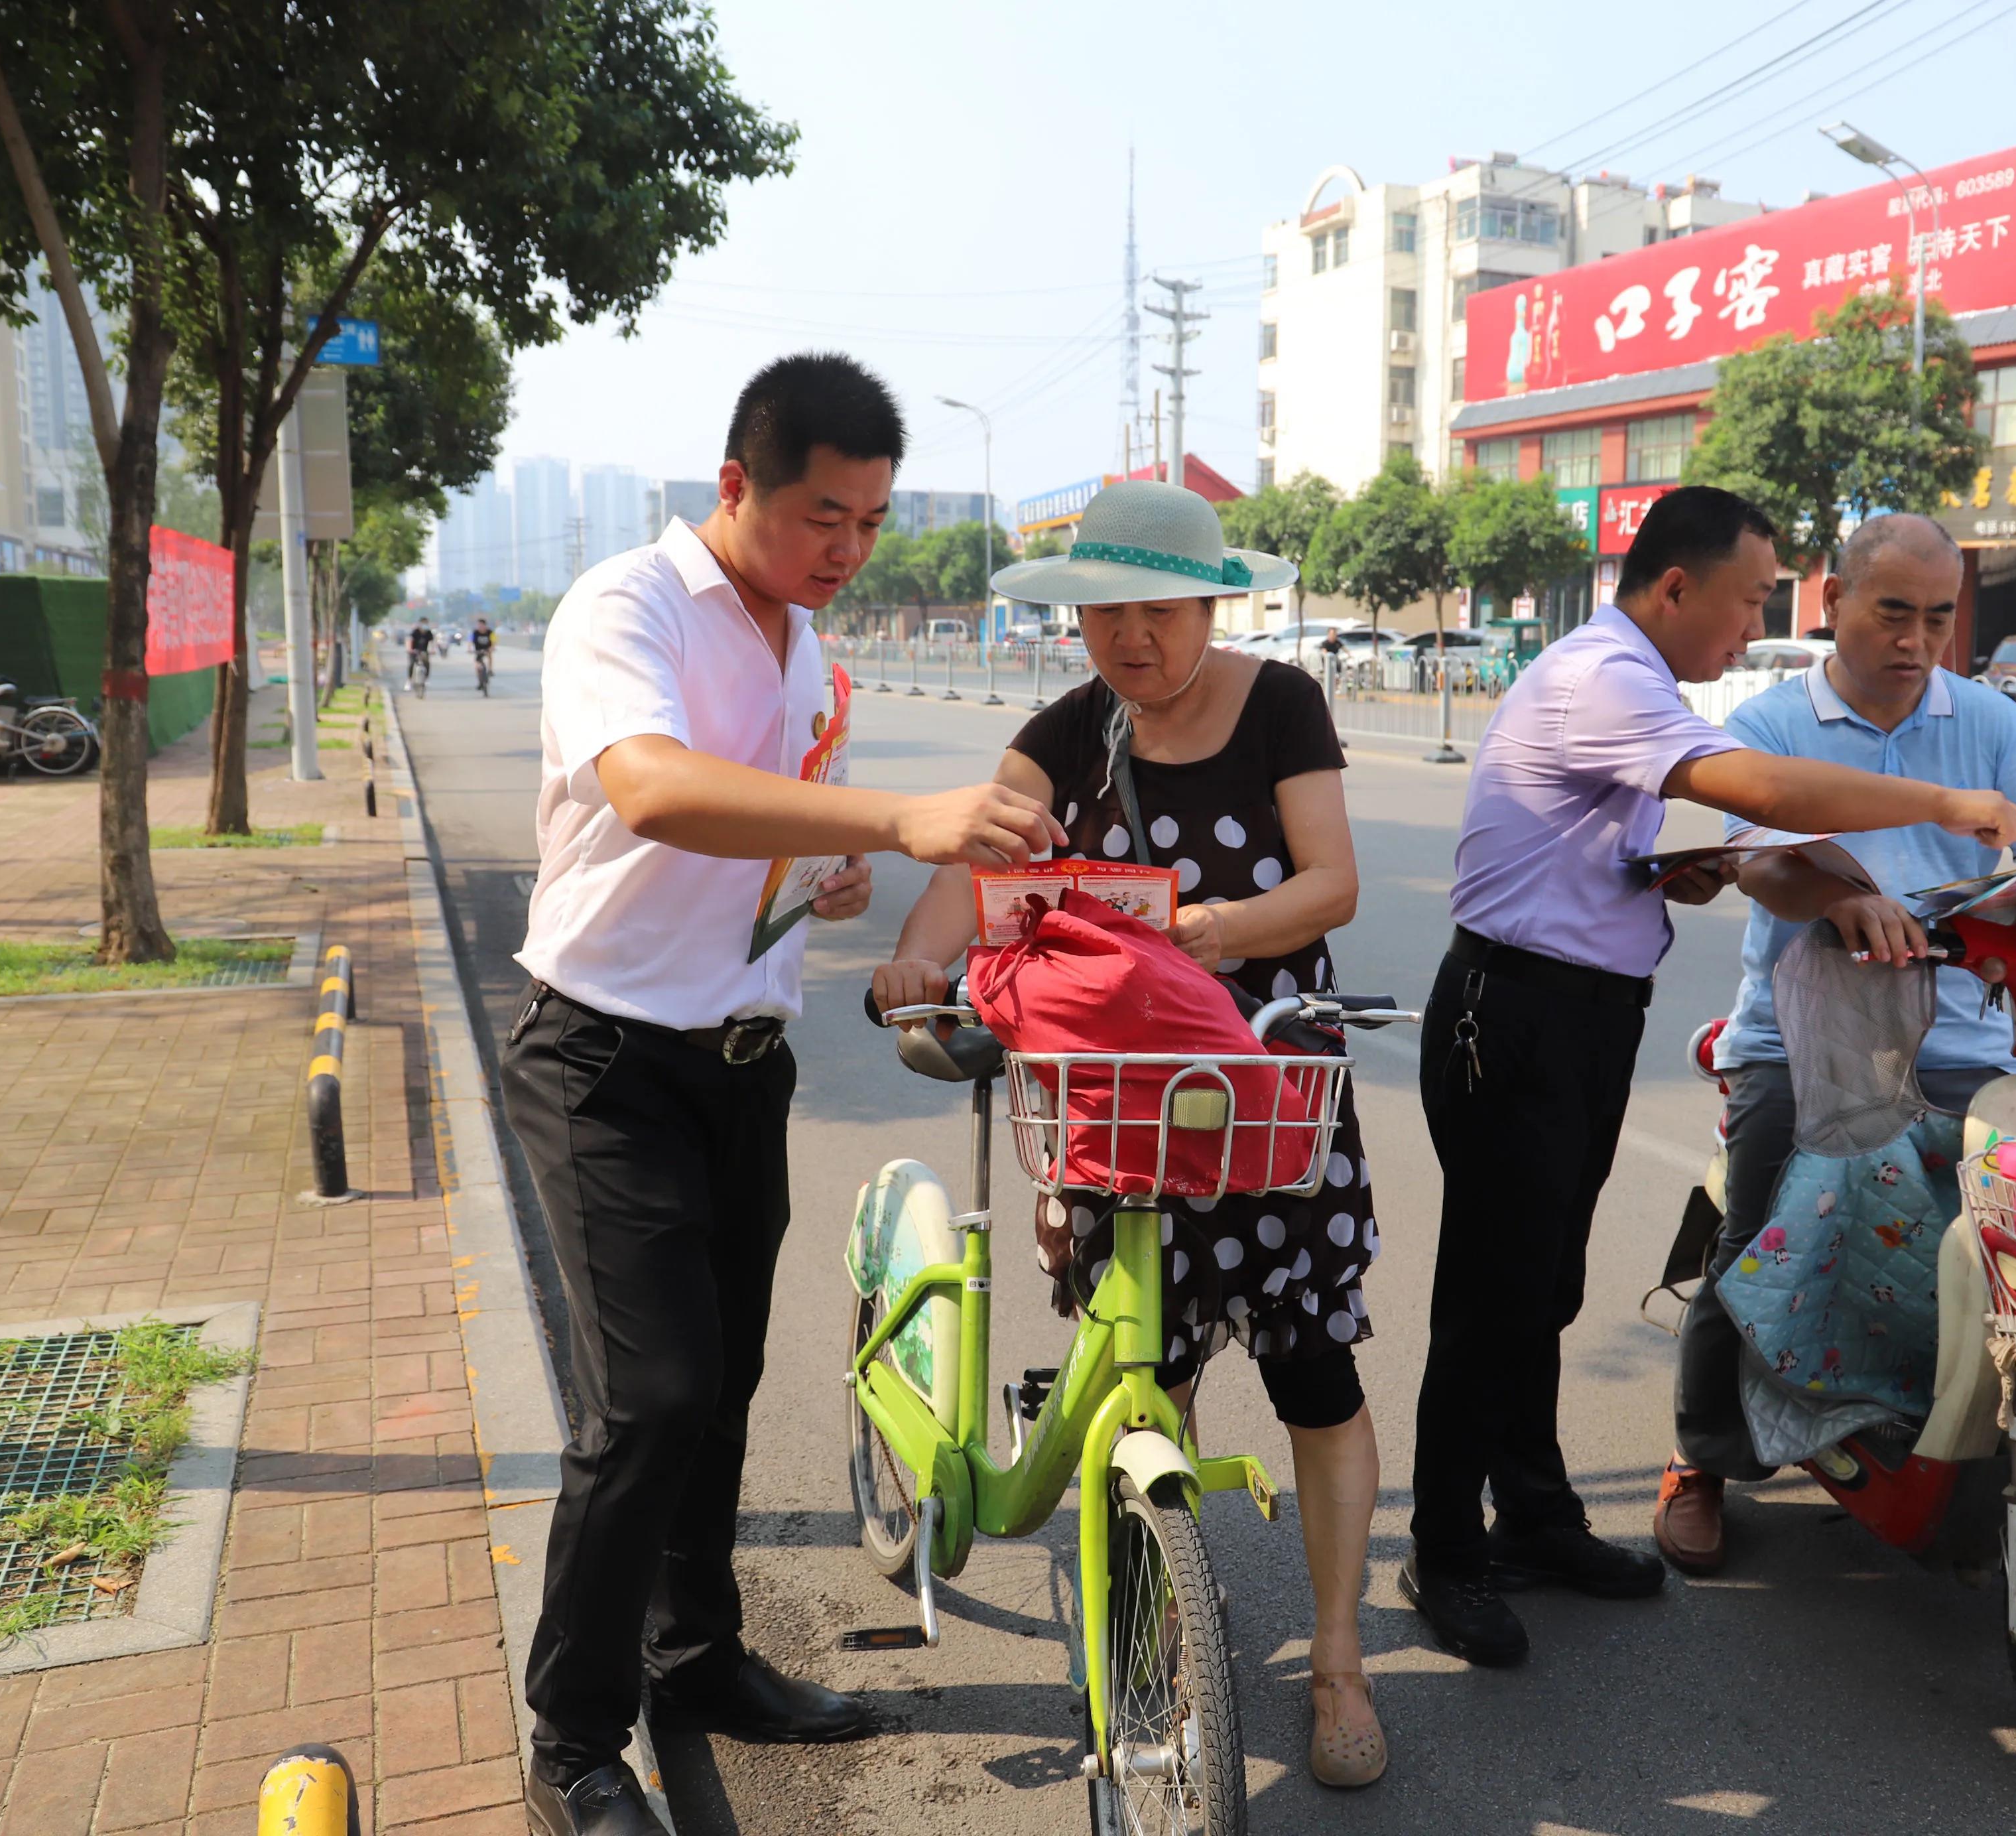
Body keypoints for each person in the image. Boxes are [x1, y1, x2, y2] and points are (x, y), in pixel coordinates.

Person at [501, 352, 1065, 1836]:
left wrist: (828, 875)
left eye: (872, 520)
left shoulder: (807, 652)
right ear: (736, 483)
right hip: (602, 1057)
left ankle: (693, 1660)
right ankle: (568, 1739)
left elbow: (749, 836)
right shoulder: (625, 606)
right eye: (827, 513)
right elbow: (653, 789)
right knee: (650, 1400)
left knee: (722, 1389)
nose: (850, 548)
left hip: (741, 1063)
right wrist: (890, 814)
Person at [1401, 486, 2016, 1668]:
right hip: (1516, 1015)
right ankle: (1442, 1549)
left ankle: (1535, 1516)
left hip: (1580, 1015)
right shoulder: (1604, 673)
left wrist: (1658, 870)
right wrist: (1946, 804)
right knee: (1490, 1298)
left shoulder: (1636, 681)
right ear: (1677, 587)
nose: (1754, 629)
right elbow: (1765, 793)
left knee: (1540, 1287)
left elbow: (1648, 838)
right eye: (1749, 600)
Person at [871, 480, 1393, 1790]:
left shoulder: (1281, 703)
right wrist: (914, 959)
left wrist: (1209, 932)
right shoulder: (1066, 729)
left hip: (1265, 1090)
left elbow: (1330, 879)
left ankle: (1338, 1662)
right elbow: (972, 867)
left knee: (1313, 1375)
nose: (1129, 639)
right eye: (1103, 613)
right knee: (1147, 1362)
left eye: (1156, 611)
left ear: (1211, 604)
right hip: (1122, 1101)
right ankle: (1162, 1590)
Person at [1654, 513, 2016, 1573]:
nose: (1917, 640)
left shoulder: (1991, 723)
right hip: (1802, 1034)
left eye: (1939, 618)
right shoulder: (1773, 721)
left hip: (1965, 1036)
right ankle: (1703, 1461)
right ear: (1833, 602)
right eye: (1893, 612)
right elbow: (1761, 863)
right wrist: (1839, 899)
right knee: (1758, 1237)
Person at [406, 615, 434, 692]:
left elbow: (432, 642)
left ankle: (426, 679)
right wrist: (410, 649)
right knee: (412, 664)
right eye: (423, 623)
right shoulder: (415, 632)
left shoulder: (429, 633)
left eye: (426, 623)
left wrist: (432, 650)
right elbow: (410, 640)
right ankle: (409, 681)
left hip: (424, 651)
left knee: (427, 663)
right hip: (414, 651)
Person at [472, 614, 497, 691]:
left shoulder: (490, 632)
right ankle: (480, 681)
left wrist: (492, 648)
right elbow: (470, 641)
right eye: (479, 625)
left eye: (481, 625)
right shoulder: (475, 633)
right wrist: (469, 649)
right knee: (477, 665)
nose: (480, 627)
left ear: (485, 625)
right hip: (478, 650)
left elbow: (494, 641)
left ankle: (490, 670)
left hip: (487, 649)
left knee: (489, 656)